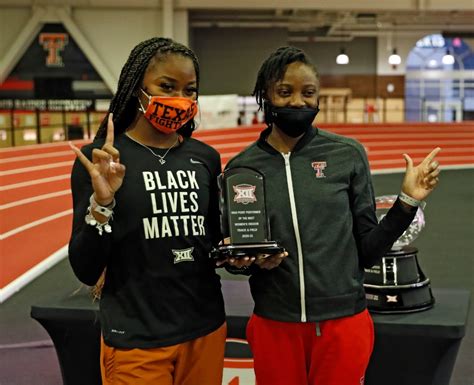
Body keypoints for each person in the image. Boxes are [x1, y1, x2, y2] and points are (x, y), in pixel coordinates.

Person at [223, 46, 441, 385]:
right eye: (285, 91)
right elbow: (242, 248)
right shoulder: (242, 168)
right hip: (275, 323)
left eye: (308, 93)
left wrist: (406, 202)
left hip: (344, 322)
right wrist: (247, 261)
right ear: (265, 94)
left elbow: (368, 249)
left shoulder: (346, 155)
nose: (297, 101)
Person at [68, 37, 226, 385]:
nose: (180, 100)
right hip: (136, 338)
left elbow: (213, 243)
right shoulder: (101, 160)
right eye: (167, 86)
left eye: (190, 90)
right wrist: (103, 204)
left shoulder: (206, 158)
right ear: (137, 88)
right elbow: (84, 267)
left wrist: (244, 253)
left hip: (204, 329)